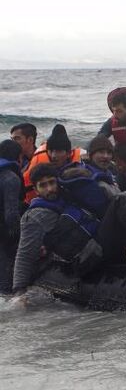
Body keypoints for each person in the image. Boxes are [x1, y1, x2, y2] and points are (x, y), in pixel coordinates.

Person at [12, 164, 104, 297]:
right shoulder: (35, 217)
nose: (49, 189)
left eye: (51, 182)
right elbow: (25, 255)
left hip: (95, 250)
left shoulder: (71, 197)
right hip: (68, 268)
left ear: (58, 182)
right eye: (43, 185)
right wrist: (19, 292)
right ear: (36, 190)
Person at [23, 125, 83, 202]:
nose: (53, 156)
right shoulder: (38, 166)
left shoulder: (81, 165)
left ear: (69, 153)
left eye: (59, 151)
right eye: (51, 151)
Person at [0, 140, 25, 293]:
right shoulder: (10, 178)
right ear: (17, 158)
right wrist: (20, 238)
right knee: (5, 284)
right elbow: (11, 215)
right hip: (2, 234)